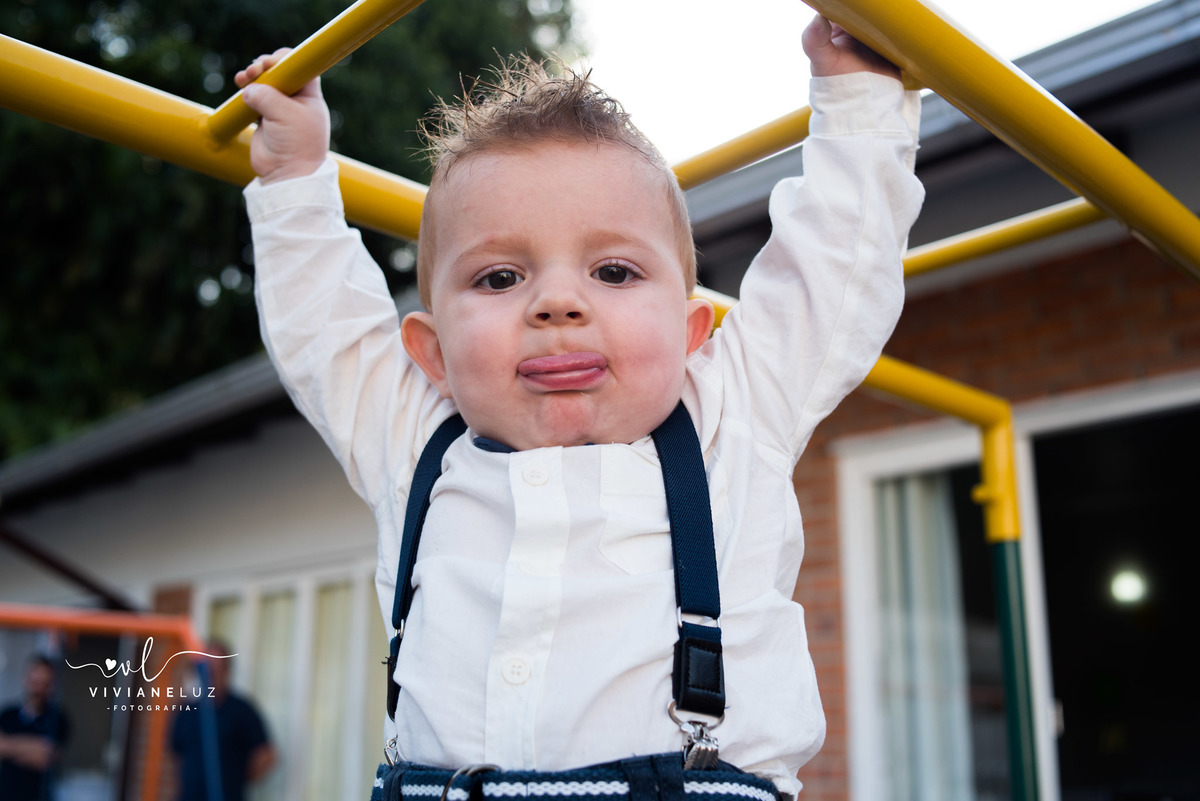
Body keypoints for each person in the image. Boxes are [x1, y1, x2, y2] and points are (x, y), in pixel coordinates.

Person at [236, 14, 923, 800]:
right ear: (431, 354)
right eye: (499, 278)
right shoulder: (414, 440)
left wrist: (857, 94)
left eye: (616, 272)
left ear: (693, 331)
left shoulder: (732, 413)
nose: (558, 301)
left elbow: (835, 266)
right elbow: (323, 328)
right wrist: (294, 176)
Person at [169, 641, 276, 801]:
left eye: (216, 670)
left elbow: (267, 755)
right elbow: (177, 756)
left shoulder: (242, 710)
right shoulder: (186, 710)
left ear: (226, 671)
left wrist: (238, 777)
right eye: (207, 671)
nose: (211, 676)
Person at [0, 655, 70, 801]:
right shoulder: (8, 715)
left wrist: (9, 748)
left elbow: (44, 758)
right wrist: (34, 745)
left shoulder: (56, 718)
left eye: (43, 683)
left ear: (51, 685)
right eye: (35, 681)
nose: (37, 688)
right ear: (26, 679)